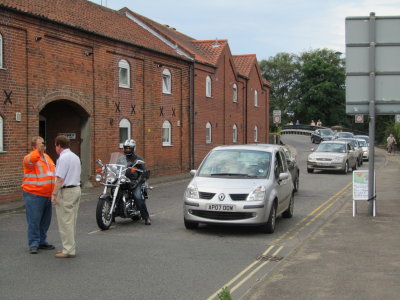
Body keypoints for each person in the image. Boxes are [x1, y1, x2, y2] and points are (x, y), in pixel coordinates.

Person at [22, 136, 56, 254]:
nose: (43, 145)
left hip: (47, 194)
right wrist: (38, 151)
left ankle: (42, 241)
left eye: (43, 143)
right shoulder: (30, 158)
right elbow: (30, 160)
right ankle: (33, 244)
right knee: (34, 221)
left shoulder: (47, 157)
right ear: (34, 147)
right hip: (34, 194)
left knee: (45, 221)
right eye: (40, 144)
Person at [51, 135, 81, 258]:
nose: (55, 148)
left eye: (55, 145)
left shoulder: (63, 158)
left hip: (66, 191)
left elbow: (60, 179)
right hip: (76, 189)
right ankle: (70, 247)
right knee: (71, 220)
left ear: (59, 145)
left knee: (65, 222)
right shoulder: (75, 157)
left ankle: (68, 250)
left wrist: (53, 194)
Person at [117, 139, 151, 225]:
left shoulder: (138, 159)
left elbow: (144, 172)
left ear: (133, 148)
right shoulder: (121, 159)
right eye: (126, 148)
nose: (127, 150)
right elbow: (117, 168)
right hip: (123, 180)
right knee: (115, 192)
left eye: (129, 148)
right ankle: (113, 214)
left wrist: (137, 182)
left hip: (135, 181)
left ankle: (146, 217)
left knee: (138, 197)